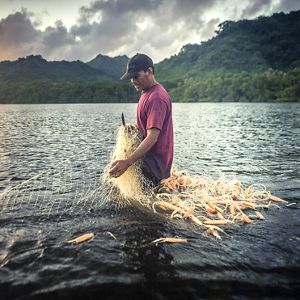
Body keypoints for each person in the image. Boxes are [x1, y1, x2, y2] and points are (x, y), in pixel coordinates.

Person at [109, 53, 173, 185]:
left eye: (136, 76)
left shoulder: (157, 98)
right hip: (147, 163)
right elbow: (148, 127)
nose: (133, 81)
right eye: (131, 78)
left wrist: (127, 162)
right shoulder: (146, 92)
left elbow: (152, 137)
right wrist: (136, 129)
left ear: (149, 71)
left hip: (153, 169)